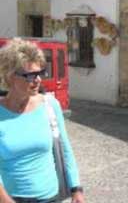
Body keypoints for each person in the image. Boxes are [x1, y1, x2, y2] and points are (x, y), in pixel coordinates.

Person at [0, 38, 84, 203]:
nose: (38, 80)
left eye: (39, 73)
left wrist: (76, 190)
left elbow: (66, 150)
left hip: (50, 197)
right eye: (30, 75)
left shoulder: (50, 106)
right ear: (10, 77)